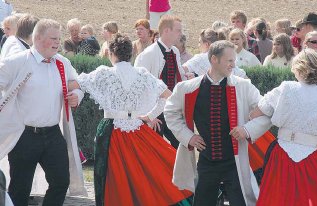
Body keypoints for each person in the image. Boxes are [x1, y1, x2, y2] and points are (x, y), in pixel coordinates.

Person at [68, 33, 192, 206]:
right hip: (138, 130)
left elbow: (75, 84)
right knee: (147, 174)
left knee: (112, 176)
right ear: (131, 54)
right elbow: (168, 97)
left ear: (111, 53)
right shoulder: (142, 74)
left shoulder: (104, 73)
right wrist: (149, 115)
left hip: (111, 130)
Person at [164, 40, 271, 206]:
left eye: (233, 61)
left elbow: (266, 111)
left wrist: (247, 129)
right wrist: (188, 137)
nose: (233, 65)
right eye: (229, 61)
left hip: (234, 161)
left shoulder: (243, 86)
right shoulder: (188, 88)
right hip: (206, 161)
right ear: (214, 59)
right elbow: (170, 112)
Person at [0, 19, 87, 206]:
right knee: (19, 189)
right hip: (25, 136)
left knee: (61, 182)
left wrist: (77, 96)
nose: (57, 42)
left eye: (59, 38)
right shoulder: (18, 61)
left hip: (53, 133)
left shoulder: (63, 63)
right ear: (37, 39)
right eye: (53, 38)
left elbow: (78, 84)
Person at [242, 49, 317, 205]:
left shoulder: (286, 88)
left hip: (282, 154)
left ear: (299, 68)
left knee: (276, 199)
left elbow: (257, 113)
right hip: (313, 155)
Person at [135, 15, 185, 148]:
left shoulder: (174, 51)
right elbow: (139, 86)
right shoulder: (147, 55)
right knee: (154, 150)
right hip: (155, 113)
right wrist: (150, 115)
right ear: (166, 31)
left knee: (180, 145)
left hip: (171, 108)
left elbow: (178, 77)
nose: (181, 34)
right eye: (178, 30)